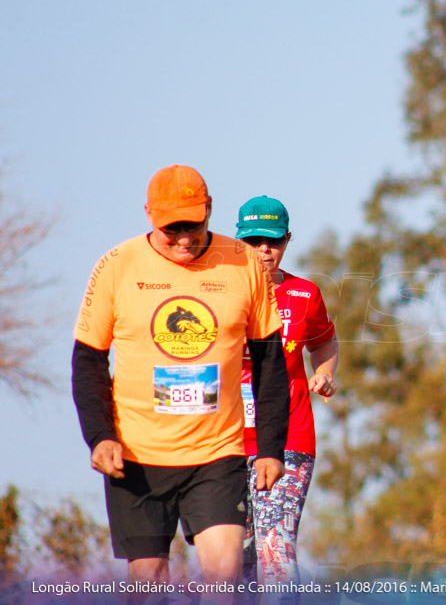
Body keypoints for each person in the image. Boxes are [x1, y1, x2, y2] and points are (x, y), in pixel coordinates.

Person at [72, 165, 290, 586]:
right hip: (137, 456)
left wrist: (270, 447)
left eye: (194, 224)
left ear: (209, 210)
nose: (185, 238)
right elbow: (88, 361)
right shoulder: (117, 266)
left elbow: (269, 363)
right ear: (149, 215)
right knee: (149, 581)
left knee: (224, 578)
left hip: (217, 454)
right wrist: (99, 436)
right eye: (172, 229)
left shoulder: (243, 263)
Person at [235, 195, 338, 593]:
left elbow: (325, 343)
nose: (264, 249)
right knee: (231, 558)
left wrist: (325, 373)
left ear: (288, 240)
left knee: (274, 548)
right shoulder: (217, 294)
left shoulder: (304, 294)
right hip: (222, 442)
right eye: (254, 240)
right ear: (238, 242)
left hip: (289, 439)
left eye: (273, 240)